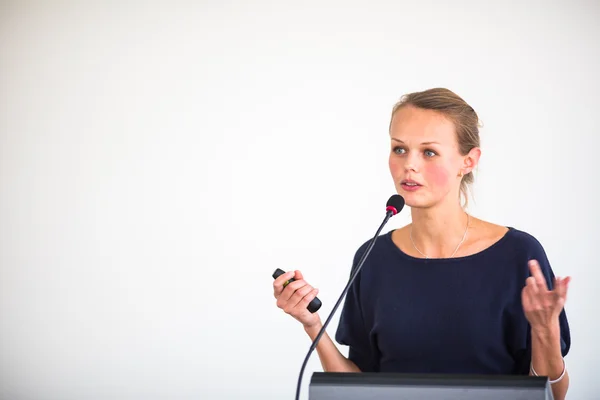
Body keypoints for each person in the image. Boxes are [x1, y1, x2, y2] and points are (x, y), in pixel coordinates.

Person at [272, 88, 571, 400]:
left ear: (467, 161)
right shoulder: (373, 257)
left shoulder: (518, 254)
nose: (409, 165)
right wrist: (312, 324)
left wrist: (545, 330)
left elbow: (555, 394)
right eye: (399, 149)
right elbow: (358, 387)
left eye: (429, 152)